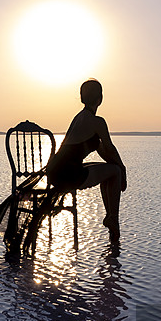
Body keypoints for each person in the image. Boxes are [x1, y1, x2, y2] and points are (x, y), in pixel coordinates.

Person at [47, 79, 127, 241]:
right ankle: (113, 219)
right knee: (116, 171)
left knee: (112, 170)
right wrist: (123, 169)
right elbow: (110, 149)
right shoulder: (97, 122)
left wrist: (116, 165)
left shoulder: (80, 118)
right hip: (69, 175)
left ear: (82, 98)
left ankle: (111, 218)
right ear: (100, 99)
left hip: (55, 171)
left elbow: (103, 151)